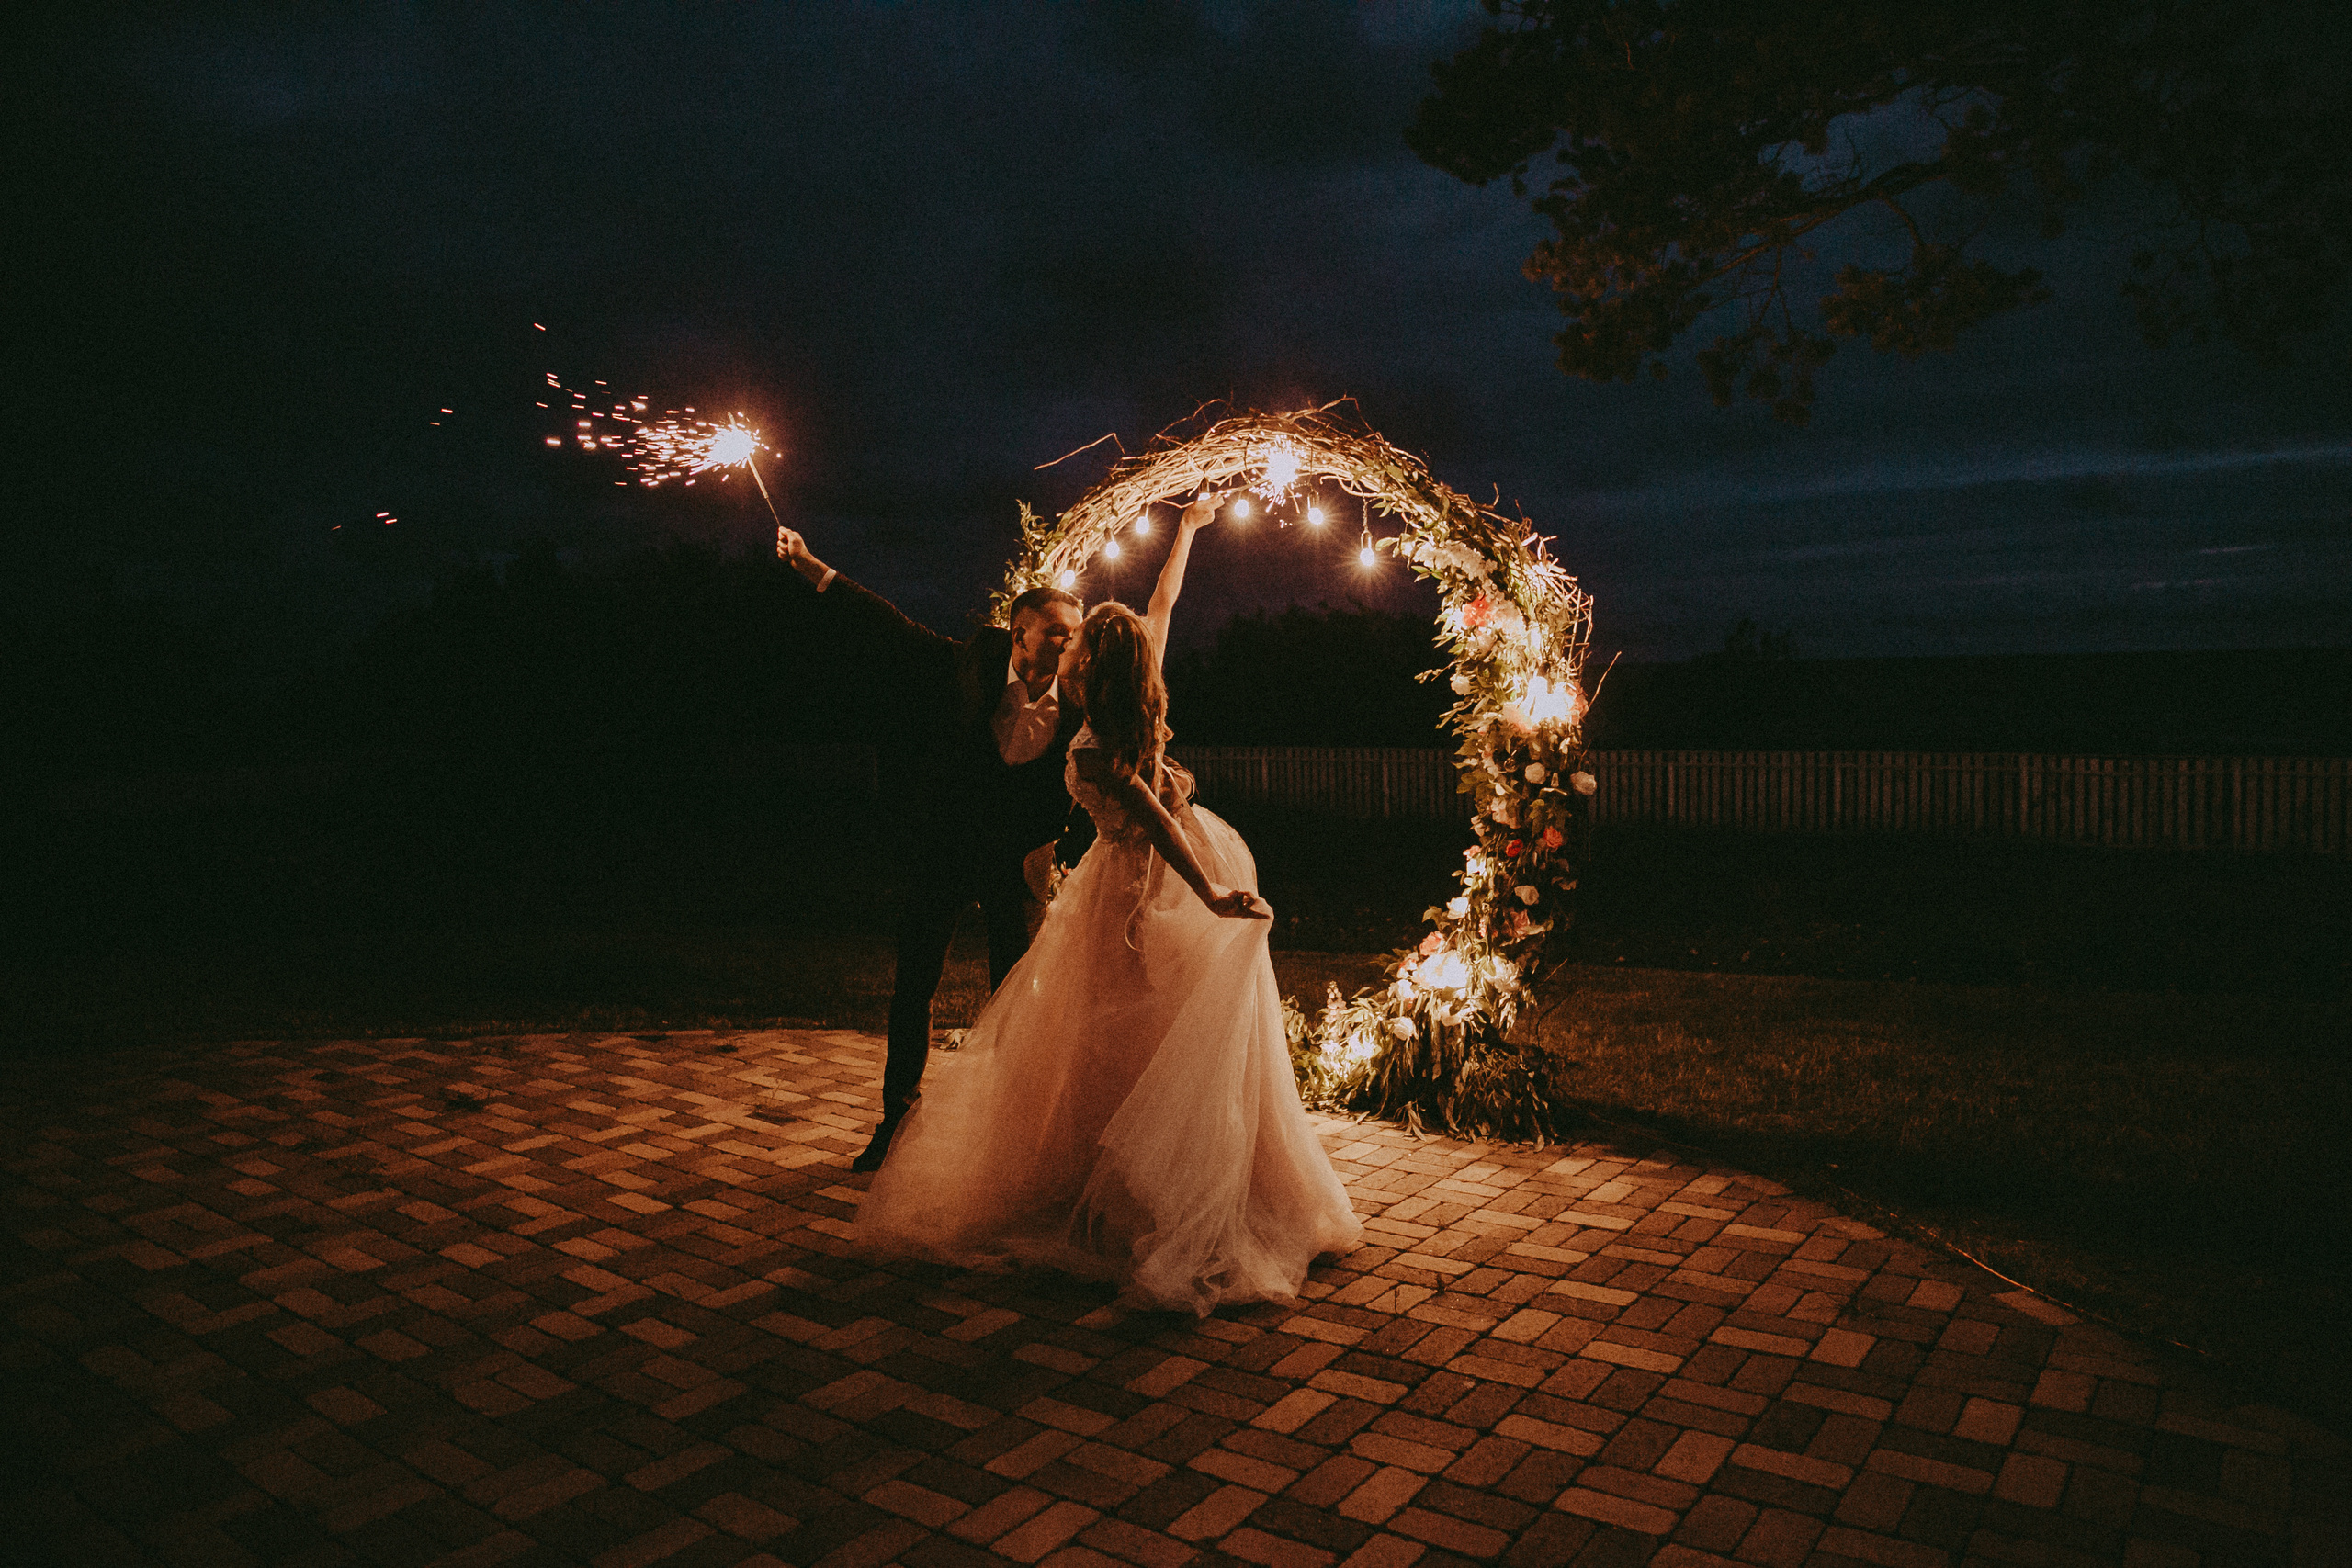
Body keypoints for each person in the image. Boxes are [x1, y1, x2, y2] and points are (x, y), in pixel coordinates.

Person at [851, 491, 1364, 1315]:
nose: (1068, 652)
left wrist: (1211, 889)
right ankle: (1147, 1171)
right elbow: (1162, 604)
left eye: (1078, 642)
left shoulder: (1092, 745)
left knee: (1112, 1029)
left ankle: (1131, 1188)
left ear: (1093, 664)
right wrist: (1186, 533)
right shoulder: (1138, 689)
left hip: (1133, 889)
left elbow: (1156, 822)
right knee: (1146, 1027)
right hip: (1162, 871)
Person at [775, 525, 1094, 1173]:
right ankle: (896, 1120)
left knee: (1015, 1003)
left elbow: (1092, 791)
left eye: (1074, 632)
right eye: (1058, 631)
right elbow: (886, 626)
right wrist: (814, 567)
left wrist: (1060, 852)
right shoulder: (971, 662)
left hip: (1018, 869)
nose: (1069, 641)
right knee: (911, 988)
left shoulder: (1084, 705)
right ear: (1020, 633)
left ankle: (1011, 1134)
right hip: (942, 849)